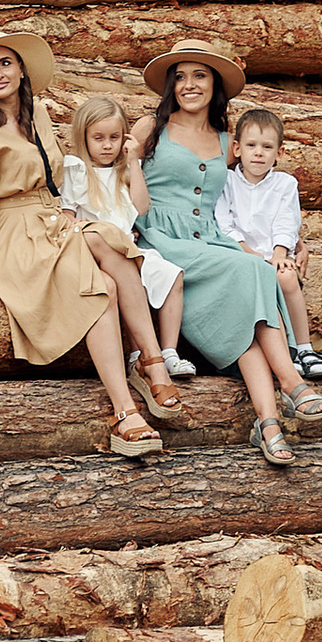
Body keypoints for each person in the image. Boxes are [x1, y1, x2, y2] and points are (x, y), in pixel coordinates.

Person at [0, 26, 166, 458]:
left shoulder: (37, 113)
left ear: (21, 70)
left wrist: (65, 213)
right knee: (102, 286)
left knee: (108, 236)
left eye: (6, 63)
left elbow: (57, 180)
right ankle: (125, 410)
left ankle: (152, 359)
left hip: (51, 220)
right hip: (12, 234)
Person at [124, 39, 315, 456]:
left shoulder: (228, 141)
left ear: (215, 85)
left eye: (200, 76)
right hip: (161, 238)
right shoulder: (150, 128)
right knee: (254, 270)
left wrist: (295, 242)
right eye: (180, 77)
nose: (189, 85)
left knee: (245, 315)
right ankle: (292, 381)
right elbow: (115, 180)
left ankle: (269, 423)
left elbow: (255, 192)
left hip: (212, 241)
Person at [58, 93, 193, 420]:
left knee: (169, 273)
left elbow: (141, 208)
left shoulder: (126, 170)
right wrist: (75, 224)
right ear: (83, 137)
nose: (107, 145)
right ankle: (141, 356)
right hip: (95, 247)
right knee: (124, 274)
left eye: (114, 138)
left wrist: (133, 161)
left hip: (129, 245)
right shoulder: (76, 169)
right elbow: (66, 213)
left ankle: (167, 351)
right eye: (98, 138)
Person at [215, 104, 322, 398]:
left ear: (279, 153)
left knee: (286, 278)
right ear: (237, 148)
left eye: (267, 147)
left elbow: (286, 221)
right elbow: (224, 223)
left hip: (275, 253)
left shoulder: (284, 184)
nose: (259, 153)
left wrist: (280, 253)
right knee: (262, 279)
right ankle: (286, 354)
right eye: (251, 145)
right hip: (240, 256)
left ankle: (304, 348)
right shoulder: (226, 181)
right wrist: (249, 253)